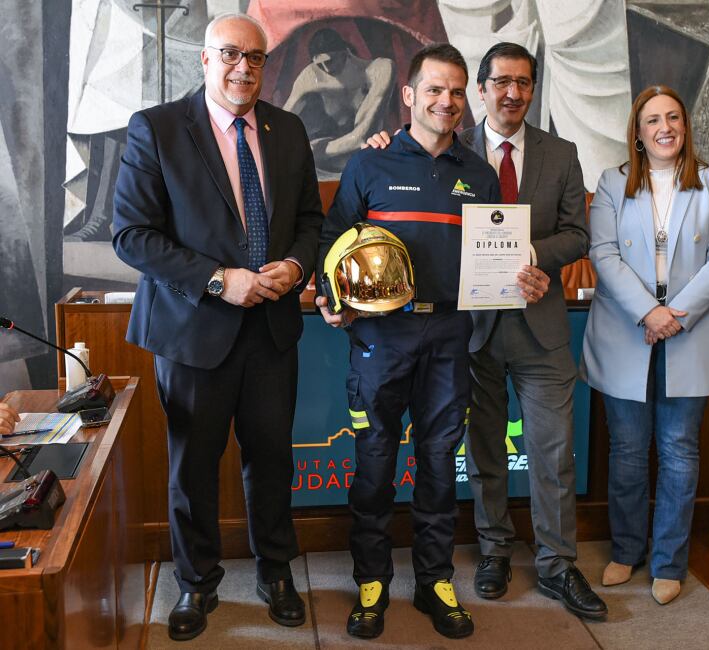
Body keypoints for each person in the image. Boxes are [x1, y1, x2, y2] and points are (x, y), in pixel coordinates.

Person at [363, 42, 606, 621]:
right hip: (468, 332)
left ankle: (557, 564)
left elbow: (577, 233)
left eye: (524, 83)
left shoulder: (562, 154)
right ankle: (494, 550)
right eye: (501, 82)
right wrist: (384, 141)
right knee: (484, 452)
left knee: (552, 453)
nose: (512, 93)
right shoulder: (453, 145)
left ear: (533, 89)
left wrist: (532, 255)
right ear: (481, 89)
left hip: (541, 328)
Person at [112, 13, 324, 641]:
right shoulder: (157, 128)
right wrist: (217, 278)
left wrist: (294, 263)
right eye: (231, 54)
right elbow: (132, 234)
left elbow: (311, 221)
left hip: (272, 329)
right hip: (193, 329)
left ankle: (276, 574)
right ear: (204, 60)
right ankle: (196, 583)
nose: (244, 67)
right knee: (193, 467)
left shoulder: (287, 130)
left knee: (272, 460)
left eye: (256, 57)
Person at [316, 43, 500, 640]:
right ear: (409, 95)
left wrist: (515, 269)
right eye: (434, 90)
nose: (445, 102)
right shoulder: (371, 165)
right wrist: (331, 294)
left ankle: (434, 580)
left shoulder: (480, 174)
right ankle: (372, 582)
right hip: (381, 335)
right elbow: (333, 239)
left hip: (450, 332)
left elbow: (493, 256)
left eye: (455, 92)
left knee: (440, 463)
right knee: (373, 461)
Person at [582, 85, 709, 605]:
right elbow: (603, 254)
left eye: (674, 117)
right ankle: (627, 551)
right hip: (627, 326)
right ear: (638, 132)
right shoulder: (612, 183)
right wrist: (648, 311)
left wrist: (673, 317)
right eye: (653, 120)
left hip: (688, 329)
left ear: (686, 127)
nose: (665, 127)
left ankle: (669, 561)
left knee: (678, 450)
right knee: (626, 451)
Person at [283, 28, 395, 177]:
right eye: (319, 65)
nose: (325, 69)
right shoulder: (311, 76)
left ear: (345, 52)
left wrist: (313, 151)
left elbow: (362, 138)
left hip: (369, 159)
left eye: (329, 61)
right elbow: (281, 123)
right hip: (325, 165)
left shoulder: (379, 70)